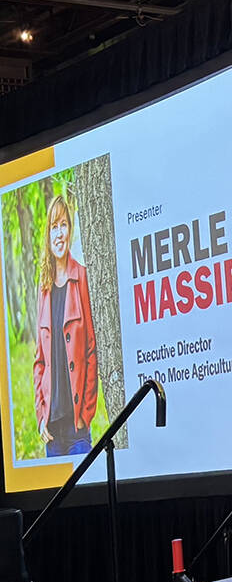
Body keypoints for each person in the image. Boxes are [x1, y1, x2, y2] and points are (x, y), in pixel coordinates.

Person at [32, 193, 98, 458]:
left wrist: (85, 413)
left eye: (63, 225)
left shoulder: (81, 276)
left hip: (77, 429)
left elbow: (91, 351)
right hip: (52, 432)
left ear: (70, 231)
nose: (59, 233)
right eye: (53, 227)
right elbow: (39, 361)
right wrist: (40, 416)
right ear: (48, 236)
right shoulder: (44, 286)